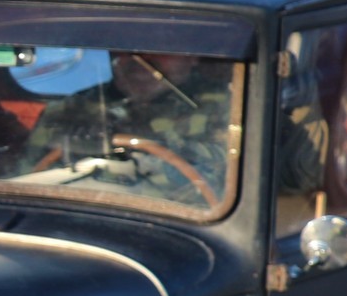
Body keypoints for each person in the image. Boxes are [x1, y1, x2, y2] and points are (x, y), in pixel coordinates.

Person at [17, 51, 239, 206]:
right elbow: (28, 178)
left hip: (181, 223)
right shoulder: (72, 110)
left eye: (161, 50)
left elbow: (225, 180)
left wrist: (150, 142)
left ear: (191, 56)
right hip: (77, 216)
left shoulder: (230, 107)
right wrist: (74, 149)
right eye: (125, 51)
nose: (140, 61)